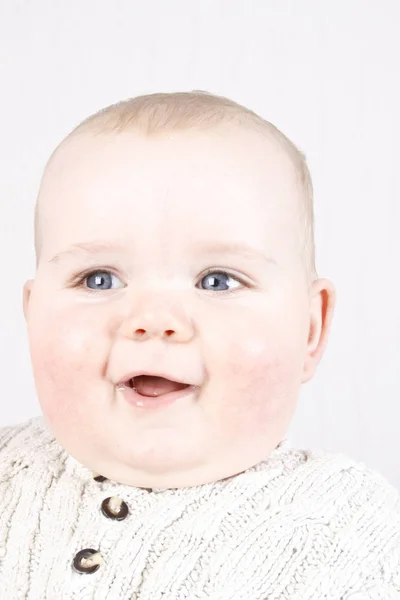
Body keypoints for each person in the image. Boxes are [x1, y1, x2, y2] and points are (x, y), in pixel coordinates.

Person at [1, 91, 398, 599]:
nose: (154, 321)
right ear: (32, 316)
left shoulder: (352, 533)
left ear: (310, 329)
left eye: (218, 281)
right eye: (98, 279)